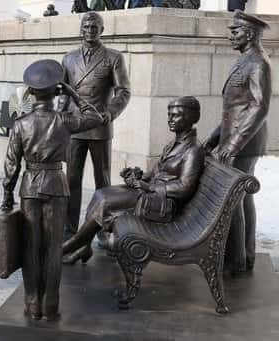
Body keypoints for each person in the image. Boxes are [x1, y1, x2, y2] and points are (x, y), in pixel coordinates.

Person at [1, 59, 105, 321]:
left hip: (30, 186)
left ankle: (32, 303)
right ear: (55, 91)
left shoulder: (21, 124)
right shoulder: (65, 120)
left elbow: (11, 165)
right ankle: (50, 305)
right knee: (53, 248)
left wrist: (6, 196)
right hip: (57, 185)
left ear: (31, 93)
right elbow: (96, 116)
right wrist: (73, 94)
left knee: (31, 247)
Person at [62, 96, 205, 265]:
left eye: (176, 115)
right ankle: (83, 245)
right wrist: (138, 176)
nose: (170, 119)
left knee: (106, 202)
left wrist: (149, 187)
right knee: (101, 194)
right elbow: (157, 171)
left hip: (163, 205)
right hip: (151, 194)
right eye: (169, 114)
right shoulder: (174, 143)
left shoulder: (193, 149)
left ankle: (71, 245)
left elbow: (184, 187)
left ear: (191, 117)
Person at [203, 11, 271, 275]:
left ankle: (236, 260)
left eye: (235, 31)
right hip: (235, 138)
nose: (230, 35)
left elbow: (259, 108)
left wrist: (233, 145)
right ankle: (243, 255)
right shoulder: (244, 60)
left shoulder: (258, 63)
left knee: (233, 199)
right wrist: (213, 138)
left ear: (250, 34)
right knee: (241, 199)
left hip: (244, 143)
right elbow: (234, 109)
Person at [58, 11, 130, 243]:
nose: (90, 30)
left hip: (99, 126)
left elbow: (123, 91)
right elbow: (63, 94)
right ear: (81, 29)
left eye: (95, 27)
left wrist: (110, 113)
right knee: (71, 180)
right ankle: (70, 229)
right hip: (74, 127)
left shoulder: (113, 57)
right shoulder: (68, 58)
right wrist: (59, 120)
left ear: (102, 30)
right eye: (86, 26)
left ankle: (103, 230)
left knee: (103, 182)